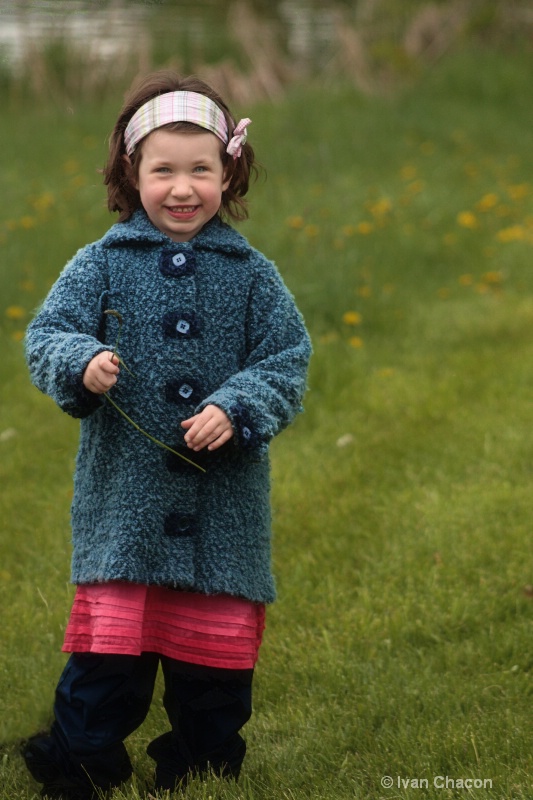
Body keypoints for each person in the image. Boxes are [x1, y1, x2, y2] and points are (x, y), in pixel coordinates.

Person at [22, 70, 311, 800]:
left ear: (228, 172)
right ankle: (82, 761)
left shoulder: (251, 276)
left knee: (212, 669)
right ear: (131, 172)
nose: (182, 189)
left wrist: (240, 406)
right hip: (124, 508)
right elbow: (48, 334)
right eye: (163, 171)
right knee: (107, 661)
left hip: (224, 515)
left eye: (200, 171)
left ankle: (200, 769)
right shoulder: (100, 264)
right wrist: (80, 361)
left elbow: (286, 359)